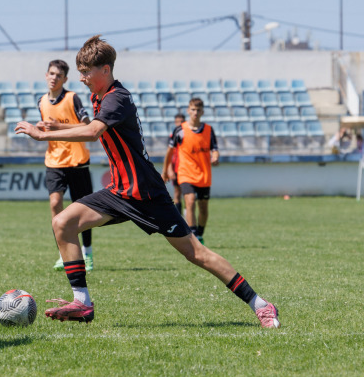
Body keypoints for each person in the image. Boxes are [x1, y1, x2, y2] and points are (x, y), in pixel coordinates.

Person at [14, 36, 279, 329]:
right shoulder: (99, 96)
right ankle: (82, 303)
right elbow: (92, 125)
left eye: (87, 71)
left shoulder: (117, 97)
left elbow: (93, 132)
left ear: (105, 69)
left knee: (197, 254)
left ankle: (262, 305)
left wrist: (43, 135)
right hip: (120, 192)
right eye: (80, 71)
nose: (82, 77)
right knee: (62, 222)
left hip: (148, 194)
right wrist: (59, 126)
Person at [36, 59, 94, 272]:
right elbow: (47, 131)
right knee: (55, 204)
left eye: (58, 75)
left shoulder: (72, 98)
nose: (54, 78)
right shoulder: (41, 101)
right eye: (51, 73)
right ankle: (63, 254)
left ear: (65, 79)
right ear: (46, 75)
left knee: (84, 211)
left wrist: (57, 125)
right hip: (54, 161)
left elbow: (88, 127)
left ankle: (87, 254)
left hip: (77, 161)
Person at [161, 100, 219, 244]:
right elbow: (169, 152)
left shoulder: (209, 130)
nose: (195, 113)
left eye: (198, 110)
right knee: (190, 201)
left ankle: (200, 233)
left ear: (202, 112)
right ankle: (193, 236)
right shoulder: (179, 130)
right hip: (185, 173)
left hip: (204, 175)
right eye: (193, 109)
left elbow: (215, 149)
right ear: (188, 111)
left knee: (203, 207)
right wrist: (165, 171)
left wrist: (216, 156)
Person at [166, 113, 186, 214]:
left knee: (188, 194)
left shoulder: (188, 135)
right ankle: (180, 217)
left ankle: (188, 218)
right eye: (177, 122)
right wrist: (170, 170)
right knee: (177, 193)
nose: (179, 124)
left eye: (181, 122)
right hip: (176, 168)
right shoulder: (172, 137)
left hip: (187, 169)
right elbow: (169, 155)